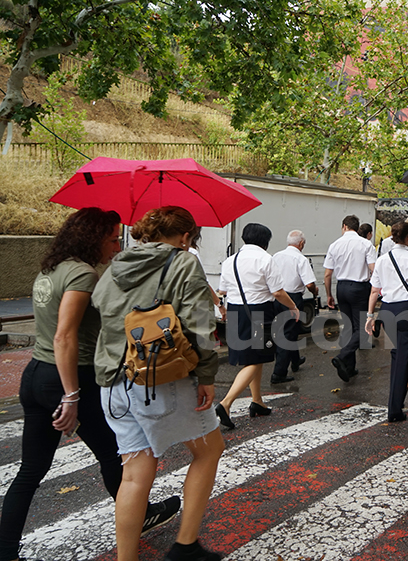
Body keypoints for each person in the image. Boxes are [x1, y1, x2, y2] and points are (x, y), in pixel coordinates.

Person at [0, 208, 180, 561]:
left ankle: (5, 550)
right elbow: (64, 336)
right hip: (70, 376)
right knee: (114, 452)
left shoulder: (51, 269)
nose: (116, 246)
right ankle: (141, 515)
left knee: (31, 469)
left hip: (36, 374)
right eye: (112, 239)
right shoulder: (82, 274)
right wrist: (71, 396)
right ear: (92, 238)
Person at [93, 206, 224, 561]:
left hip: (113, 381)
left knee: (135, 474)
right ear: (185, 236)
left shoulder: (116, 264)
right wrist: (206, 375)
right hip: (159, 378)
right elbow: (200, 323)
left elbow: (99, 307)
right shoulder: (183, 263)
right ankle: (186, 546)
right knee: (209, 450)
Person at [216, 223, 299, 429]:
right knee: (257, 358)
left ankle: (257, 401)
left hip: (235, 311)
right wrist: (293, 307)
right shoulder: (265, 259)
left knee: (255, 358)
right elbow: (277, 292)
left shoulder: (230, 260)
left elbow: (222, 290)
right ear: (265, 241)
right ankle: (226, 404)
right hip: (259, 311)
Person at [365, 222, 408, 423]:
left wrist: (370, 316)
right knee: (405, 357)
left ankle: (395, 404)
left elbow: (374, 291)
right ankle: (395, 408)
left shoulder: (382, 259)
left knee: (398, 353)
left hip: (387, 310)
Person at [324, 215, 376, 383]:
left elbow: (327, 274)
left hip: (341, 287)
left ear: (344, 226)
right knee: (362, 329)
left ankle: (349, 367)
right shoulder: (366, 244)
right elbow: (373, 269)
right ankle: (342, 356)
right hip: (359, 288)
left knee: (348, 327)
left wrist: (329, 295)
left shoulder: (334, 245)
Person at [269, 230, 318, 384]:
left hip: (277, 296)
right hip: (293, 298)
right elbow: (309, 284)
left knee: (285, 331)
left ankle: (295, 360)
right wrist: (315, 291)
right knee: (288, 335)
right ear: (301, 243)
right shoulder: (300, 259)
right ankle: (279, 373)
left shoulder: (276, 256)